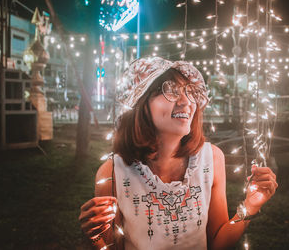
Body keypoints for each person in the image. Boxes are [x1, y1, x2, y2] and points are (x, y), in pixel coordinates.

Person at [79, 57, 278, 250]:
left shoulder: (212, 159)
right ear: (141, 102)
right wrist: (96, 239)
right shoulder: (113, 172)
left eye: (190, 92)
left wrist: (250, 207)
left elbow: (217, 242)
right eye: (171, 91)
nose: (187, 102)